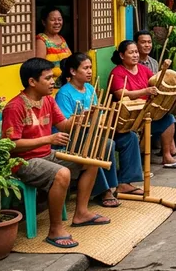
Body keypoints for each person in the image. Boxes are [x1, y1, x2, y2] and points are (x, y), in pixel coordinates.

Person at [2, 58, 108, 247]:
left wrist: (82, 117)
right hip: (23, 162)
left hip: (46, 155)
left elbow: (63, 126)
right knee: (62, 174)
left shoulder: (48, 100)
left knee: (91, 161)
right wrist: (48, 139)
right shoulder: (15, 107)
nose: (53, 82)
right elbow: (11, 146)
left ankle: (81, 213)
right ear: (32, 82)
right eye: (48, 78)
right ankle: (55, 230)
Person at [56, 53, 143, 207]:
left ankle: (125, 182)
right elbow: (65, 124)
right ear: (73, 71)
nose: (90, 71)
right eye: (85, 68)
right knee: (105, 144)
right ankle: (103, 190)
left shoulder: (90, 88)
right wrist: (85, 118)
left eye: (90, 67)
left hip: (96, 130)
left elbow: (100, 113)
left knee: (129, 137)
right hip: (76, 137)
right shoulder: (64, 93)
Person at [109, 40, 176, 168]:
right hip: (128, 118)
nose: (135, 55)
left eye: (136, 52)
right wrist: (145, 91)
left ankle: (167, 156)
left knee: (168, 119)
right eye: (131, 52)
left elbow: (155, 82)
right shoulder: (117, 72)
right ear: (122, 55)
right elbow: (121, 94)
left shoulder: (143, 69)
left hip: (146, 112)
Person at [34, 7, 71, 84]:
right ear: (44, 22)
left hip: (67, 85)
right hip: (51, 87)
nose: (57, 22)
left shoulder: (62, 39)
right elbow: (39, 68)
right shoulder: (41, 40)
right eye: (53, 20)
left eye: (59, 19)